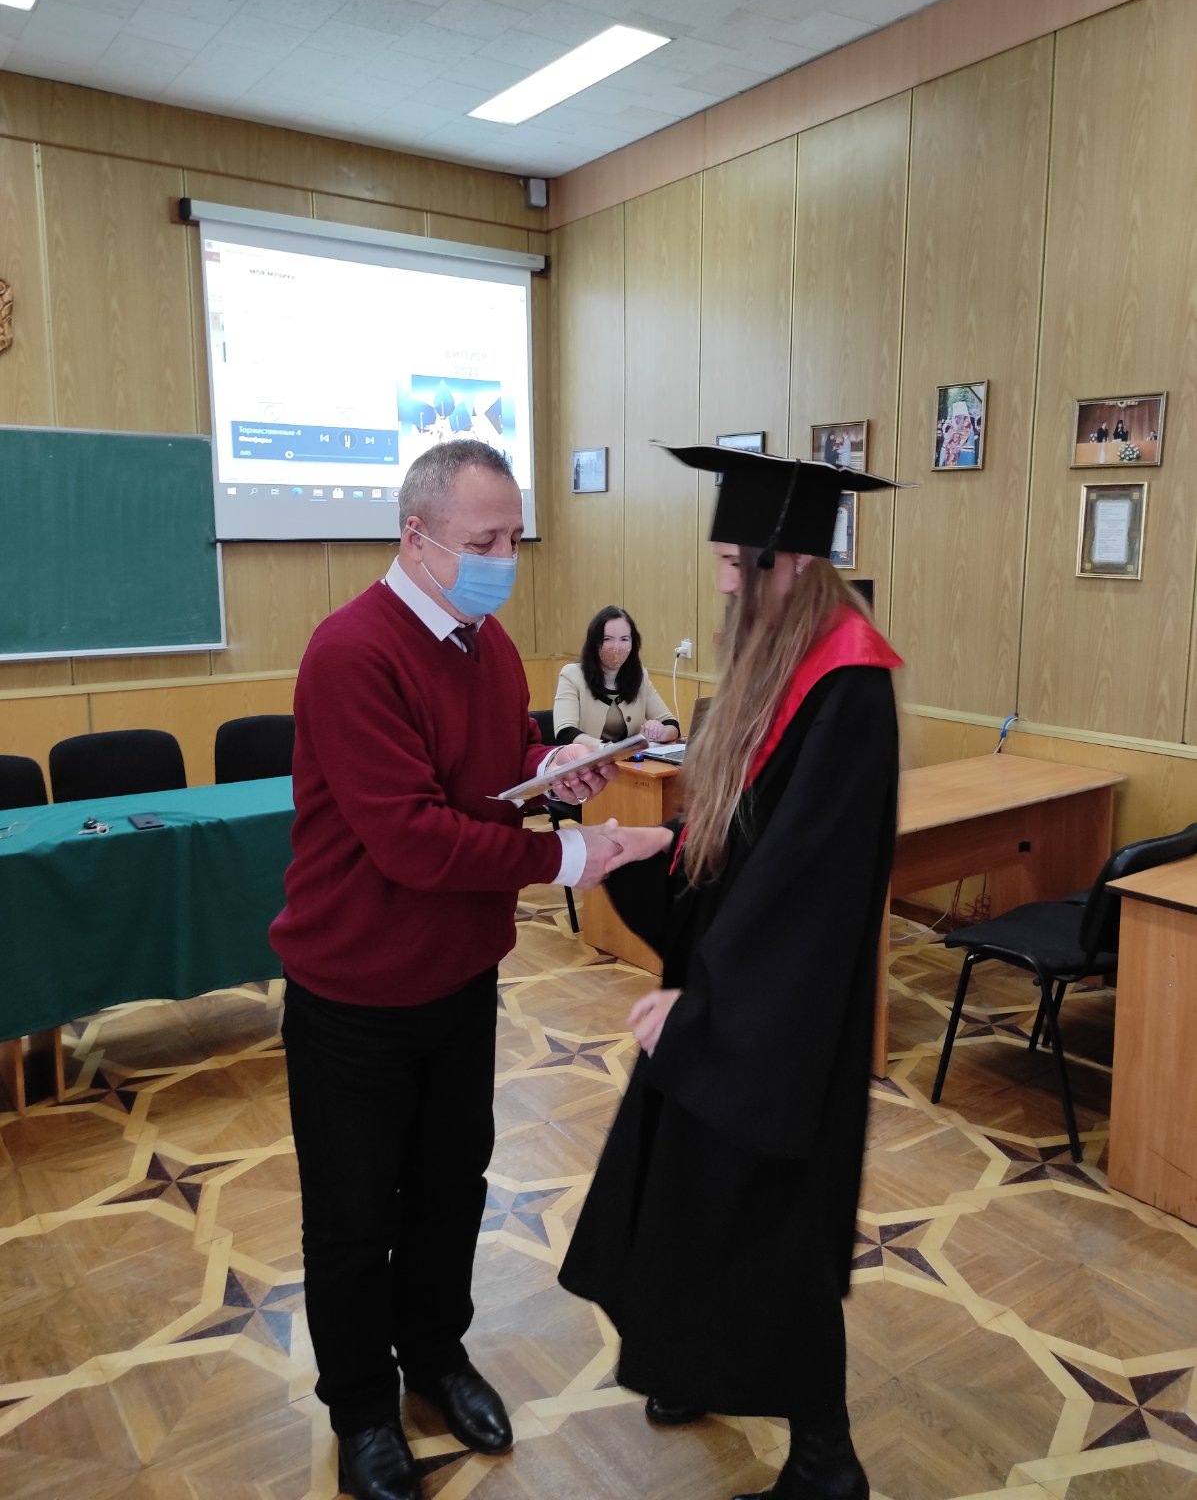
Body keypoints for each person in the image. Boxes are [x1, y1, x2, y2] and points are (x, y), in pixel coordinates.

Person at [272, 440, 621, 1500]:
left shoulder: (489, 643)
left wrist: (553, 770)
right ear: (415, 536)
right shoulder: (351, 651)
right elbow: (414, 839)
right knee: (350, 1220)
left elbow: (492, 772)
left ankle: (434, 1355)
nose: (504, 558)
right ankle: (361, 1411)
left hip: (461, 976)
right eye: (484, 540)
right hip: (354, 990)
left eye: (514, 537)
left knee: (448, 1188)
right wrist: (568, 856)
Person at [559, 444, 904, 1500]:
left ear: (784, 560)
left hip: (780, 1025)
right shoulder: (780, 658)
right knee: (687, 1197)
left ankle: (824, 1459)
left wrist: (709, 1009)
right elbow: (751, 843)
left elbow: (808, 890)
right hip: (736, 998)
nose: (720, 583)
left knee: (771, 1225)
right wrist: (653, 849)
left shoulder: (847, 682)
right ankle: (690, 1361)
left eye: (730, 562)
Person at [553, 605, 680, 747]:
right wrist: (605, 748)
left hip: (630, 759)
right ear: (594, 642)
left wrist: (661, 732)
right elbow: (565, 731)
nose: (617, 647)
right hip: (587, 758)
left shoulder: (640, 675)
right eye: (607, 639)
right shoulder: (571, 675)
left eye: (624, 639)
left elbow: (671, 723)